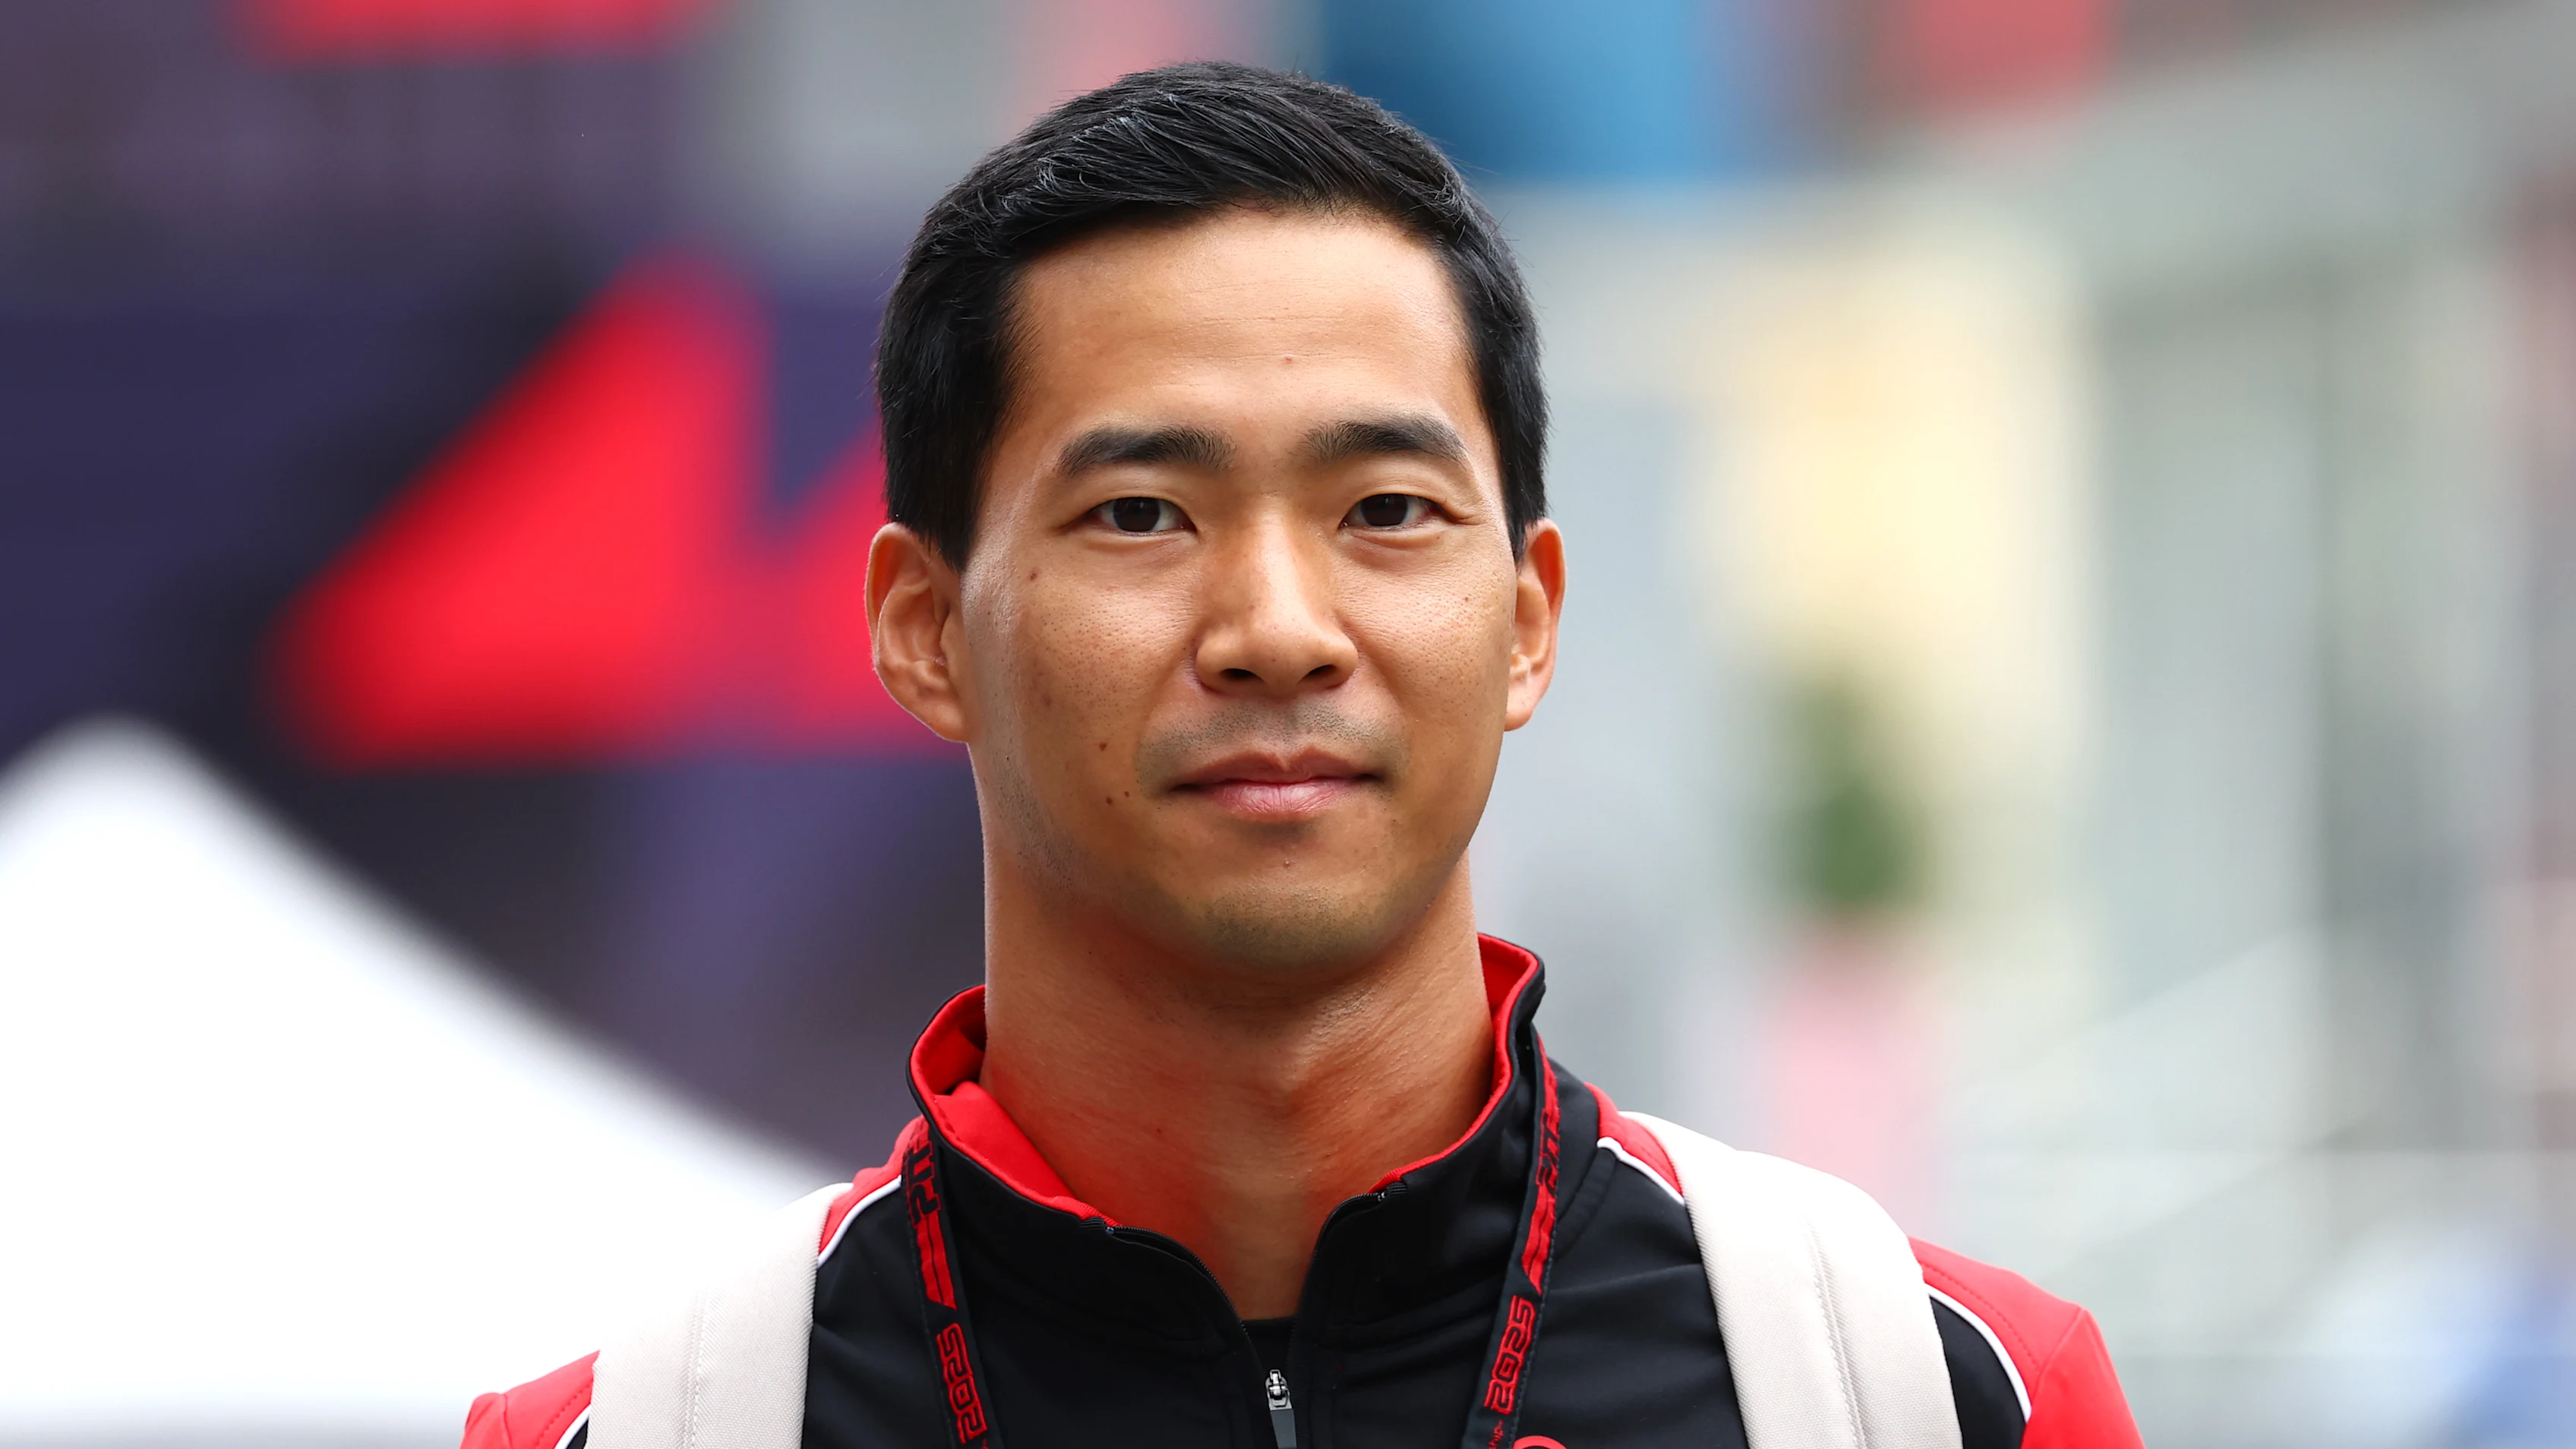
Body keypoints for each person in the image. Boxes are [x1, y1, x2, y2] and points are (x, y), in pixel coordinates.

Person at [462, 62, 2141, 1449]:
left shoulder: (1934, 1395)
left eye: (1386, 511)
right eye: (1141, 513)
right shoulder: (638, 1434)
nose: (1277, 624)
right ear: (922, 627)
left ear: (1528, 616)